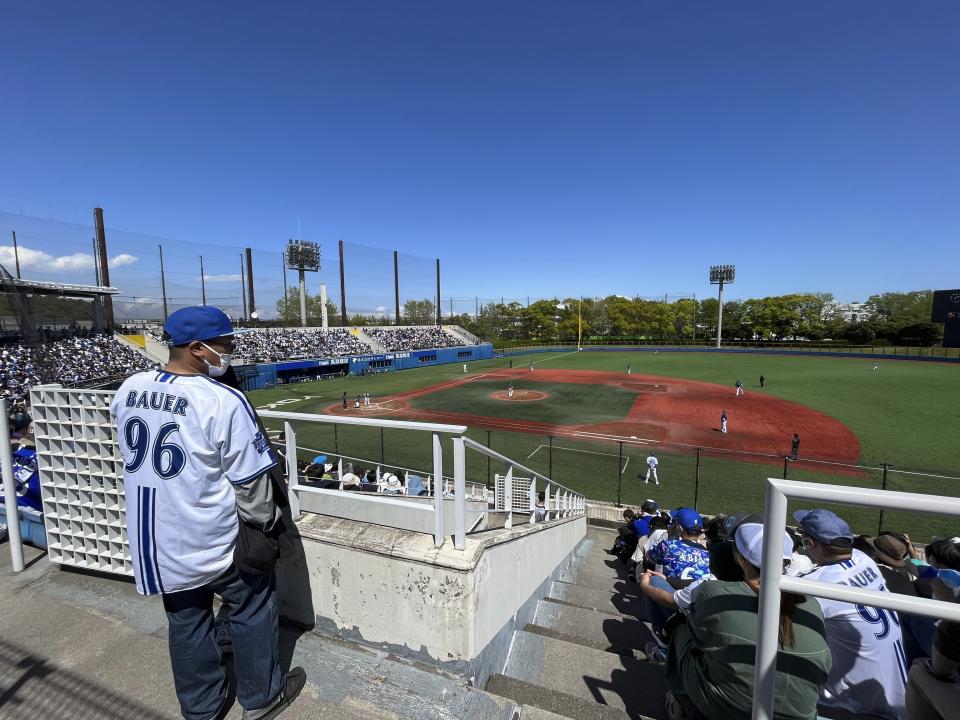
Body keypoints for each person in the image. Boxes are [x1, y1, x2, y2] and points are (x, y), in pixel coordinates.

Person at [110, 306, 305, 720]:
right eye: (225, 345)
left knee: (187, 620)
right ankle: (262, 698)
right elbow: (252, 487)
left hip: (155, 538)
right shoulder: (221, 399)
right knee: (253, 604)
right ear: (198, 349)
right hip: (209, 534)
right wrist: (268, 529)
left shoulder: (129, 387)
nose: (230, 351)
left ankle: (202, 710)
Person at [663, 522, 832, 720]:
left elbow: (698, 636)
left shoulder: (716, 593)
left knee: (681, 631)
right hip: (802, 713)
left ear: (739, 557)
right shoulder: (811, 602)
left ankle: (683, 702)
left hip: (733, 709)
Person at [794, 508, 907, 719]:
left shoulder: (817, 585)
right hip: (899, 695)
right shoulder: (864, 559)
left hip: (865, 709)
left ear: (810, 543)